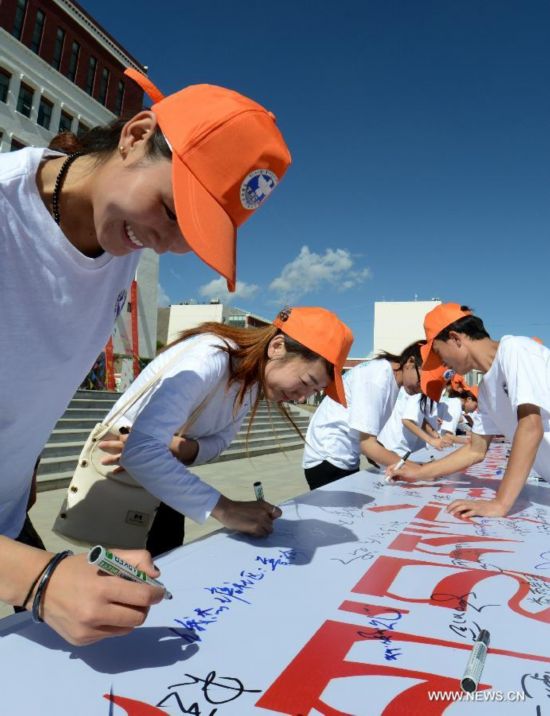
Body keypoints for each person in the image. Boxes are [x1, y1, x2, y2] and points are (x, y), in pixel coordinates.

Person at [0, 67, 291, 644]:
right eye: (174, 210)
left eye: (197, 235)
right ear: (135, 136)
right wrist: (36, 579)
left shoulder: (120, 240)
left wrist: (26, 462)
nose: (169, 242)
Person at [96, 307, 353, 556]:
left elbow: (220, 441)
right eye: (306, 383)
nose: (301, 398)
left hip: (164, 485)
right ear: (276, 347)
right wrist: (227, 509)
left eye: (312, 392)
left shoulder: (250, 384)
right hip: (120, 484)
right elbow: (140, 451)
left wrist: (176, 447)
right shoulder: (210, 356)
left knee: (165, 562)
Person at [387, 303, 550, 518]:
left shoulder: (515, 349)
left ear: (455, 338)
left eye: (438, 353)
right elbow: (475, 449)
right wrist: (420, 473)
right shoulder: (485, 389)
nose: (443, 364)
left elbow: (530, 427)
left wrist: (500, 504)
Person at [302, 341, 444, 489]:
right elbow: (367, 445)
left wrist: (400, 462)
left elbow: (367, 438)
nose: (421, 389)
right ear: (410, 361)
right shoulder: (377, 378)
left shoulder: (389, 377)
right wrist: (420, 470)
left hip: (341, 456)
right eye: (422, 382)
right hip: (328, 459)